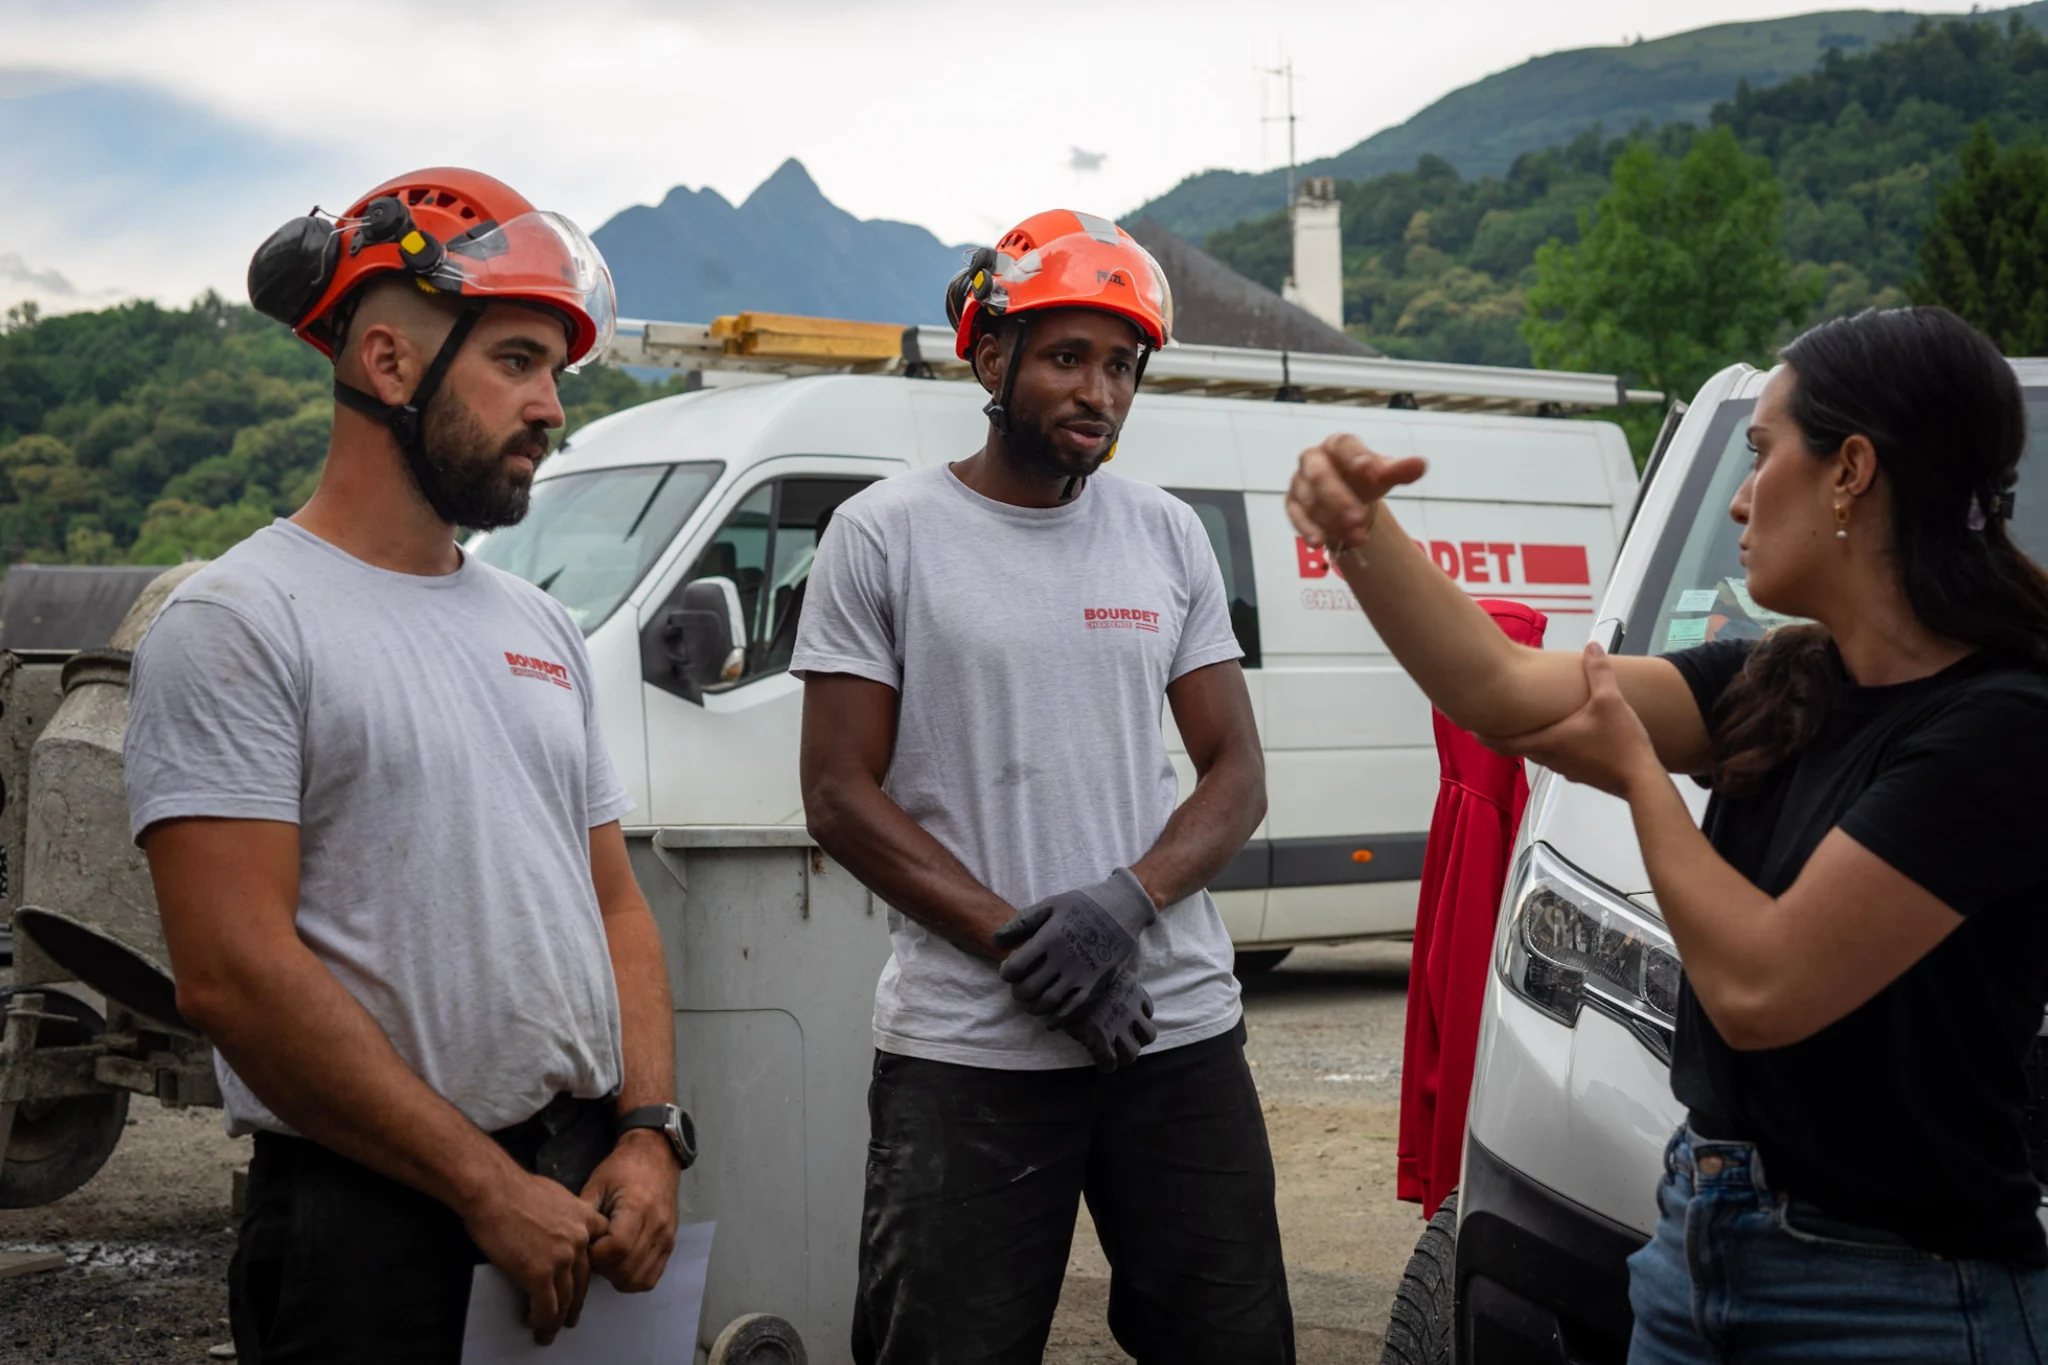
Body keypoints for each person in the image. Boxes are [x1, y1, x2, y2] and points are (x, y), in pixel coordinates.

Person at [1287, 305, 2048, 1362]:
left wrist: (1640, 776)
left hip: (1898, 1296)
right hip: (1696, 1244)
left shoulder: (2003, 726)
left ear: (1850, 471)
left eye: (1760, 454)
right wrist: (1361, 536)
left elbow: (1760, 989)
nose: (1739, 496)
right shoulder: (1783, 677)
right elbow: (1501, 690)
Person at [126, 168, 695, 1364]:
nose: (550, 408)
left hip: (576, 1181)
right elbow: (232, 975)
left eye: (556, 373)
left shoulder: (541, 626)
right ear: (388, 364)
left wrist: (649, 1130)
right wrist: (482, 1184)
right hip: (371, 1216)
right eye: (517, 362)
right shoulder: (241, 620)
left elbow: (613, 906)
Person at [794, 210, 1294, 1364]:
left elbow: (1235, 772)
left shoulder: (1164, 535)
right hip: (966, 1050)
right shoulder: (882, 536)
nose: (1098, 392)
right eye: (1067, 357)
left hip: (1172, 1030)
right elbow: (837, 795)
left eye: (1121, 366)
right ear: (989, 357)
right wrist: (1031, 952)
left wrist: (1120, 907)